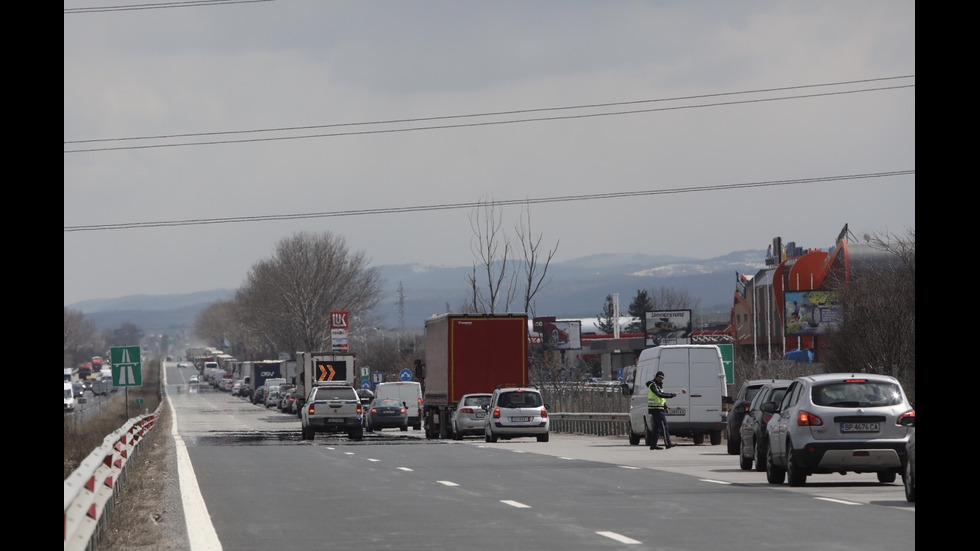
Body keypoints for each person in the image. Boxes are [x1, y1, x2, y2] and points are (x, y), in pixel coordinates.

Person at [646, 371, 677, 450]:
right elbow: (659, 394)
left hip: (659, 408)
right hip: (656, 409)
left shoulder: (658, 386)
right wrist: (671, 395)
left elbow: (661, 398)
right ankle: (668, 443)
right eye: (659, 377)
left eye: (662, 378)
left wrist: (666, 407)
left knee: (658, 427)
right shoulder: (653, 385)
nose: (661, 379)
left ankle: (653, 445)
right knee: (664, 425)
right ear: (656, 377)